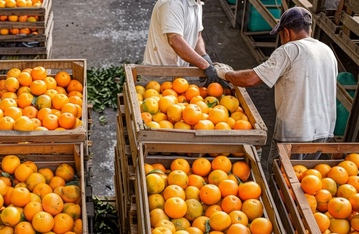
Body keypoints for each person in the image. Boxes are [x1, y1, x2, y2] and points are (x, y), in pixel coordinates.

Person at [215, 7, 338, 169]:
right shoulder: (327, 51)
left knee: (280, 177)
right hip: (323, 130)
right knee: (305, 179)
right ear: (310, 29)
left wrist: (226, 74)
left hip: (295, 132)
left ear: (286, 32)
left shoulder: (290, 50)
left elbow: (251, 79)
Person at [143, 0, 226, 86]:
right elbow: (175, 40)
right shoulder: (172, 4)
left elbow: (197, 35)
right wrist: (205, 66)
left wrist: (204, 56)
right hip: (158, 76)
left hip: (179, 75)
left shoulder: (196, 2)